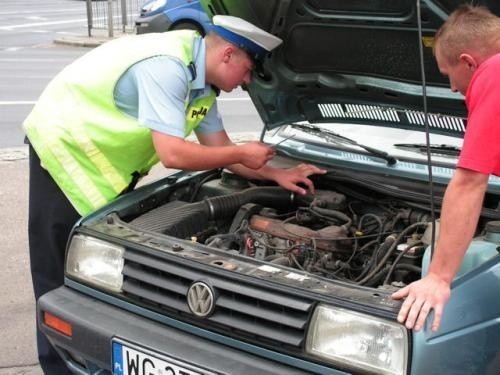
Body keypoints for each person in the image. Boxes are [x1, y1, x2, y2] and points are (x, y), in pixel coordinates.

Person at [24, 15, 326, 373]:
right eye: (248, 70)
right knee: (57, 278)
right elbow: (173, 155)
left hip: (103, 169)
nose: (247, 82)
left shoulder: (203, 87)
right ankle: (57, 367)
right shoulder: (167, 67)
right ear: (228, 55)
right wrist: (243, 152)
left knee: (98, 274)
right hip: (64, 154)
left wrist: (278, 175)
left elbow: (221, 149)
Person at [392, 5, 500, 332]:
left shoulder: (495, 73)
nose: (452, 87)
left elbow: (469, 182)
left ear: (468, 62)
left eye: (447, 74)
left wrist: (438, 277)